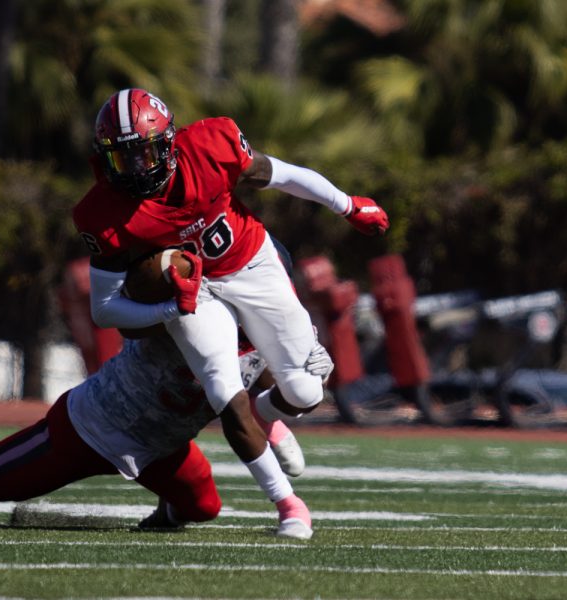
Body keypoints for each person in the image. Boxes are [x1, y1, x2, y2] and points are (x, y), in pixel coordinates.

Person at [73, 88, 389, 502]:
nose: (134, 168)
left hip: (250, 262)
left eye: (144, 154)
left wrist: (347, 205)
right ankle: (287, 502)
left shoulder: (210, 144)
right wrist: (169, 306)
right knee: (221, 384)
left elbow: (282, 174)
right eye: (122, 157)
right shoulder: (102, 212)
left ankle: (267, 414)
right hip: (197, 290)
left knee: (307, 391)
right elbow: (104, 307)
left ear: (168, 143)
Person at [0, 331, 333, 539]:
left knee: (201, 507)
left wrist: (290, 403)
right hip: (91, 428)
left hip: (161, 444)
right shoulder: (191, 307)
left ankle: (158, 513)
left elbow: (262, 389)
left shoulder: (269, 330)